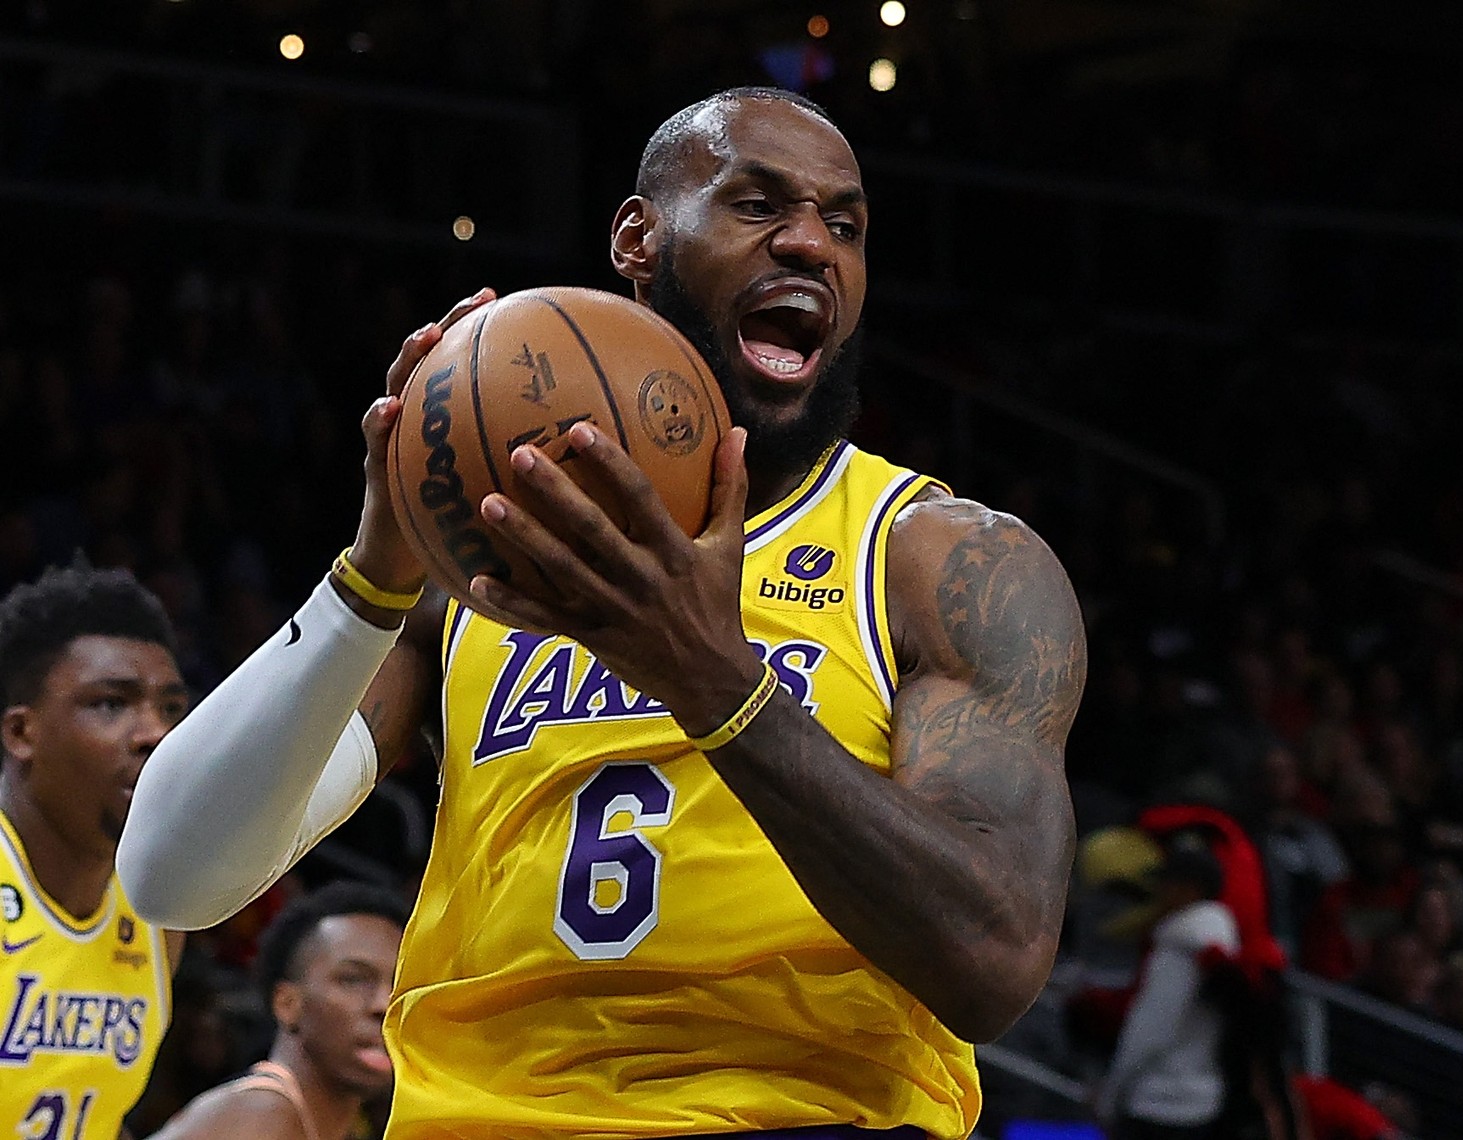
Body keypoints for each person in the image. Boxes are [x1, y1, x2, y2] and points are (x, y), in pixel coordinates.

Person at [118, 86, 1085, 1139]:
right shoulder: (493, 559)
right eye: (757, 204)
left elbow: (992, 960)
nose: (810, 242)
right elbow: (172, 874)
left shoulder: (932, 559)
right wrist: (372, 574)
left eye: (843, 223)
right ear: (638, 237)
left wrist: (716, 683)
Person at [0, 564, 190, 1139]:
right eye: (112, 704)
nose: (154, 733)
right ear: (21, 733)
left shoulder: (158, 915)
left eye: (171, 708)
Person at [150, 880, 407, 1140]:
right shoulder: (260, 1115)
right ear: (287, 1004)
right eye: (353, 979)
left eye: (402, 985)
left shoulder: (319, 1123)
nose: (384, 1005)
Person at [1095, 837, 1241, 1140]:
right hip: (1203, 1101)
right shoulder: (1222, 942)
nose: (1160, 891)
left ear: (1190, 888)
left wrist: (1111, 1094)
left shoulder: (1180, 948)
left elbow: (1149, 1032)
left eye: (1167, 883)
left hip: (1158, 1102)